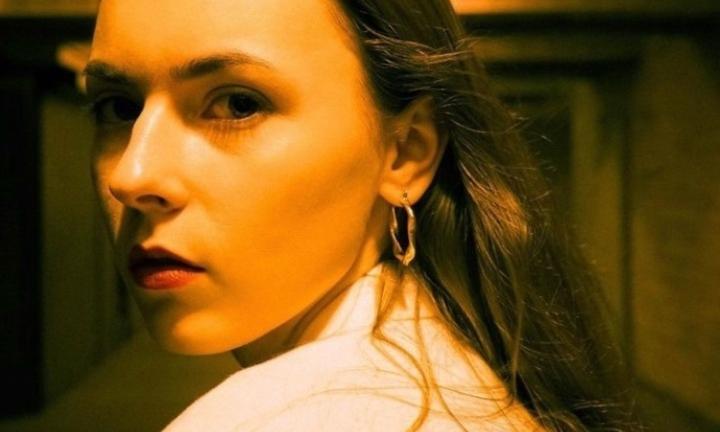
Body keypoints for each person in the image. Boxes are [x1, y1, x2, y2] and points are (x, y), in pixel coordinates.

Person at [84, 0, 637, 430]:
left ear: (406, 152)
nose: (132, 176)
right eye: (119, 107)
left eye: (238, 104)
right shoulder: (454, 374)